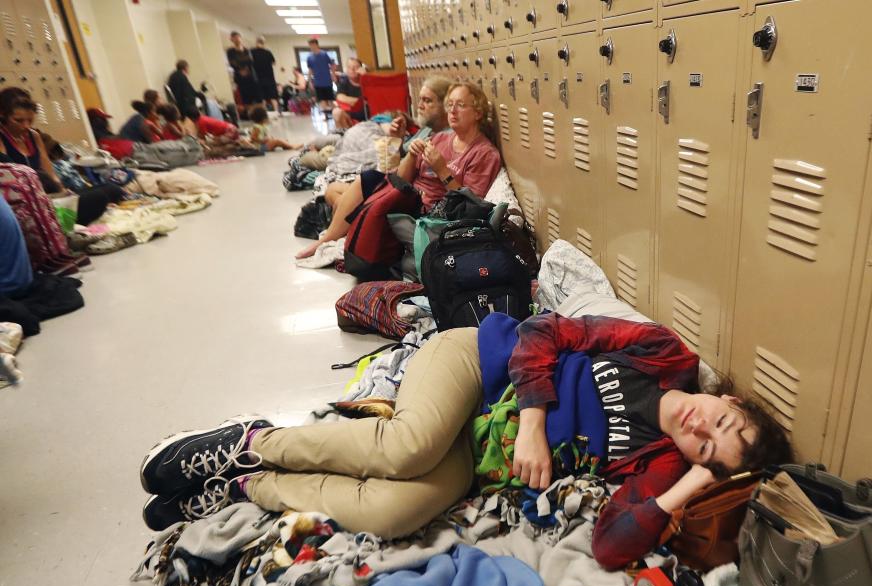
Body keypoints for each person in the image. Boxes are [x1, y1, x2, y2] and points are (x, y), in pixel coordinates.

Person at [138, 312, 794, 558]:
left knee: (396, 511)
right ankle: (251, 440)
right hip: (476, 369)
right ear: (725, 397)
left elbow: (612, 547)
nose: (700, 429)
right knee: (406, 448)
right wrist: (534, 418)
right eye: (721, 420)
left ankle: (248, 486)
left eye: (708, 450)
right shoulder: (660, 353)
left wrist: (692, 485)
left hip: (477, 456)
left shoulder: (659, 466)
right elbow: (547, 332)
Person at [295, 82, 501, 259]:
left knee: (357, 196)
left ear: (478, 112)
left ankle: (337, 231)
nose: (453, 111)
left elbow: (473, 207)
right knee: (357, 183)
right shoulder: (440, 138)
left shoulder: (484, 154)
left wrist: (443, 171)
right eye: (450, 105)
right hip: (407, 194)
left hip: (429, 209)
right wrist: (411, 155)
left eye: (461, 105)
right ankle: (336, 233)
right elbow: (401, 177)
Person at [320, 76, 451, 210]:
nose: (420, 106)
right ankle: (353, 216)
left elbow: (405, 174)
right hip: (391, 176)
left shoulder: (446, 139)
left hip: (401, 188)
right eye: (420, 99)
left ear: (446, 106)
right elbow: (400, 156)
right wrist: (397, 138)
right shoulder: (426, 130)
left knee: (341, 199)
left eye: (427, 101)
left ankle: (353, 216)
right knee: (332, 191)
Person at [0, 91, 124, 227]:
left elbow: (51, 174)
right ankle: (65, 226)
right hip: (31, 208)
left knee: (112, 189)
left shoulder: (33, 136)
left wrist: (64, 194)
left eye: (30, 120)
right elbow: (11, 181)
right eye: (18, 120)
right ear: (3, 115)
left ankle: (71, 221)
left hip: (51, 198)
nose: (26, 126)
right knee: (98, 199)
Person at [226, 31, 263, 110]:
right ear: (231, 39)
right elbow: (232, 62)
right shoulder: (230, 51)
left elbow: (250, 61)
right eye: (234, 38)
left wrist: (245, 68)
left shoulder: (247, 50)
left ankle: (261, 115)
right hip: (240, 78)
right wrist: (240, 69)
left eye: (238, 37)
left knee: (258, 97)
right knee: (246, 99)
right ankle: (250, 115)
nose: (237, 40)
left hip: (252, 77)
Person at [332, 57, 365, 129]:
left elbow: (373, 97)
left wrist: (366, 77)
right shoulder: (344, 82)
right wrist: (361, 101)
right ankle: (344, 136)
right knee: (336, 112)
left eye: (356, 67)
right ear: (347, 69)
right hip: (349, 118)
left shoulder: (367, 81)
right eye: (349, 67)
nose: (352, 70)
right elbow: (340, 97)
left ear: (361, 69)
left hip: (368, 118)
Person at [306, 39, 335, 111]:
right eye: (310, 45)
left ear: (316, 45)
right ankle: (326, 115)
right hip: (318, 82)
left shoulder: (324, 54)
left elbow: (332, 65)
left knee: (330, 99)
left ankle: (333, 113)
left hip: (327, 81)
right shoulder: (309, 57)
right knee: (322, 99)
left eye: (313, 45)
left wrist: (333, 75)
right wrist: (309, 81)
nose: (311, 47)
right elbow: (310, 70)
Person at [251, 37, 279, 113]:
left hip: (258, 78)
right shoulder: (268, 52)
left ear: (256, 42)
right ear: (263, 43)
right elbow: (274, 63)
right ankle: (276, 112)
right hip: (269, 78)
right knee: (273, 97)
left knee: (262, 97)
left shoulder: (252, 52)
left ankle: (264, 114)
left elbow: (250, 63)